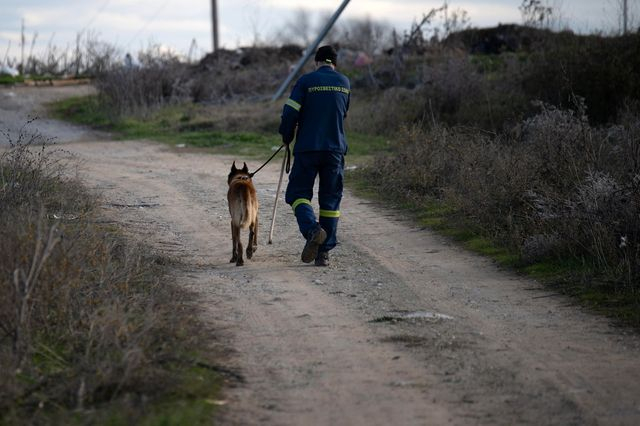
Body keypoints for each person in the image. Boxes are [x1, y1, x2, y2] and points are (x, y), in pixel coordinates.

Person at [279, 45, 350, 267]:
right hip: (335, 150)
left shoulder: (306, 81)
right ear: (334, 64)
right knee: (330, 201)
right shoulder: (345, 83)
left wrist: (286, 135)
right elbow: (342, 113)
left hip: (308, 148)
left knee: (298, 194)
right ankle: (323, 254)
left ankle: (312, 230)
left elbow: (290, 112)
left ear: (317, 62)